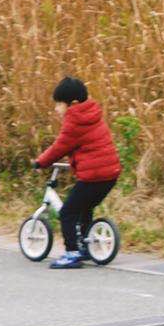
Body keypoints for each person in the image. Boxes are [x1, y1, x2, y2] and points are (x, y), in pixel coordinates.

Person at [33, 76, 123, 269]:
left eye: (59, 104)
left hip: (94, 176)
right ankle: (84, 244)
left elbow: (60, 147)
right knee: (84, 208)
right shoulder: (92, 113)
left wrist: (41, 162)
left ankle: (72, 252)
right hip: (110, 174)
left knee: (67, 212)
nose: (57, 109)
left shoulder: (74, 121)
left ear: (72, 103)